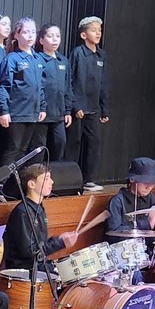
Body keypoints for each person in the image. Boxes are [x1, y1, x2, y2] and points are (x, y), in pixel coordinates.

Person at [0, 17, 47, 195]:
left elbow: (40, 87)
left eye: (33, 32)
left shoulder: (37, 59)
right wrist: (3, 110)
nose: (30, 35)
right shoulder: (12, 58)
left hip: (32, 114)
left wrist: (42, 107)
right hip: (16, 113)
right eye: (25, 32)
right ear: (17, 35)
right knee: (13, 149)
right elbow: (4, 86)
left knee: (25, 151)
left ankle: (15, 185)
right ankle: (0, 184)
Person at [3, 162, 76, 271]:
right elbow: (29, 252)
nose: (52, 182)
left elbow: (40, 245)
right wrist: (59, 243)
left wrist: (60, 239)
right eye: (46, 179)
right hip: (25, 271)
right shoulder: (22, 212)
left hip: (37, 267)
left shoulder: (39, 208)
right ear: (31, 184)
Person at [68, 16, 108, 191]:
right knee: (74, 143)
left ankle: (89, 179)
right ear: (84, 35)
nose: (98, 33)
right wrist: (75, 106)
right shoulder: (78, 53)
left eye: (99, 30)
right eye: (93, 30)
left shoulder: (101, 55)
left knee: (93, 143)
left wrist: (104, 108)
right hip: (78, 109)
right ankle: (71, 179)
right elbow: (71, 80)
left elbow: (104, 84)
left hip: (93, 109)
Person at [95, 157, 155, 241]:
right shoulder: (117, 202)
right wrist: (146, 223)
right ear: (132, 179)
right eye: (145, 182)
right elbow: (113, 235)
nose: (149, 187)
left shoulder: (151, 198)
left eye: (152, 182)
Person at [35, 23, 73, 162]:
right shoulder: (38, 59)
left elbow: (68, 87)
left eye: (57, 36)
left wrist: (67, 111)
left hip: (59, 114)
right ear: (41, 40)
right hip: (42, 114)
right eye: (50, 36)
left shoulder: (64, 61)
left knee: (60, 144)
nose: (55, 39)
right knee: (39, 148)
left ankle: (54, 176)